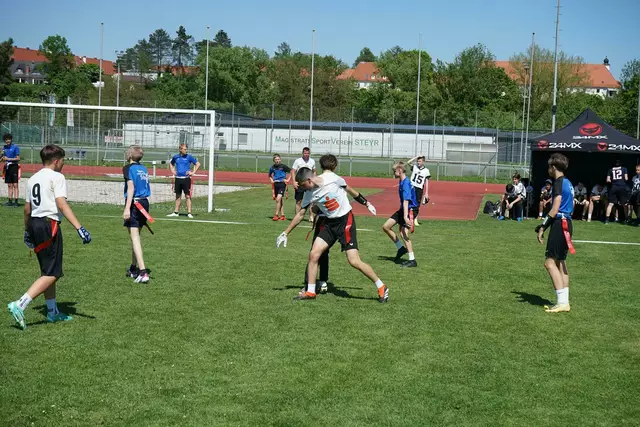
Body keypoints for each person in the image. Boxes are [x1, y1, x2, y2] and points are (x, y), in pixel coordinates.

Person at [7, 145, 92, 330]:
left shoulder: (33, 178)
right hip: (48, 225)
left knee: (48, 271)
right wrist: (79, 228)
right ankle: (20, 304)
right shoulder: (57, 177)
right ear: (56, 161)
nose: (63, 164)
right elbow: (61, 204)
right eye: (63, 161)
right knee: (53, 273)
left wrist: (27, 230)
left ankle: (52, 312)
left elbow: (27, 209)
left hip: (35, 224)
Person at [276, 162, 385, 302]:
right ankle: (310, 292)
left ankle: (381, 286)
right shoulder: (309, 193)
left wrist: (366, 203)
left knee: (354, 261)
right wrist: (285, 232)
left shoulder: (332, 179)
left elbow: (351, 190)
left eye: (303, 185)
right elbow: (300, 215)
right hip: (330, 223)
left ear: (309, 180)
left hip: (345, 222)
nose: (302, 188)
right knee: (314, 254)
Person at [535, 153, 575, 313]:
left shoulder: (558, 182)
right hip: (567, 222)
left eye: (549, 167)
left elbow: (555, 207)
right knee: (561, 262)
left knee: (549, 263)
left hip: (560, 223)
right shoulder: (568, 182)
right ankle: (565, 302)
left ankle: (562, 302)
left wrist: (543, 226)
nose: (548, 170)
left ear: (553, 167)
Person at [382, 161, 419, 268]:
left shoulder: (406, 183)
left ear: (400, 170)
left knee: (403, 233)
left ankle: (412, 260)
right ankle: (401, 248)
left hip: (409, 210)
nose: (393, 173)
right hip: (403, 209)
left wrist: (405, 217)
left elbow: (406, 201)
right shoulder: (401, 181)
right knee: (386, 227)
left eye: (394, 171)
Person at [123, 146, 152, 283]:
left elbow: (131, 188)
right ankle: (133, 268)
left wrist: (127, 208)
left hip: (135, 204)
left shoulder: (127, 168)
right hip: (144, 202)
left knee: (134, 238)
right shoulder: (144, 168)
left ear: (129, 155)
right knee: (135, 238)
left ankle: (143, 272)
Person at [167, 143, 200, 219]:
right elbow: (171, 164)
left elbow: (198, 164)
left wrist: (193, 172)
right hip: (178, 179)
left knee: (187, 196)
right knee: (178, 195)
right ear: (180, 149)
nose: (186, 150)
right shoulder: (176, 157)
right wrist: (173, 171)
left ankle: (189, 213)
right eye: (184, 149)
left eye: (186, 149)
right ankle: (176, 212)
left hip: (186, 179)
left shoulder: (189, 157)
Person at [291, 147, 316, 222]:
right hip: (300, 183)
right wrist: (294, 182)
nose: (306, 154)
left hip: (309, 183)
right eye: (305, 153)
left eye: (308, 153)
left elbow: (314, 171)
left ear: (309, 153)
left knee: (311, 201)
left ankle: (311, 217)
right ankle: (297, 216)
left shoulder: (312, 161)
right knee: (299, 201)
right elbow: (293, 171)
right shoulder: (298, 161)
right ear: (302, 153)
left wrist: (314, 180)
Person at [406, 156, 431, 226]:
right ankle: (407, 218)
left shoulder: (426, 170)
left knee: (417, 205)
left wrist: (426, 193)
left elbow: (426, 182)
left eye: (420, 161)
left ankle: (415, 219)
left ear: (423, 162)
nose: (418, 162)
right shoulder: (415, 167)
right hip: (411, 187)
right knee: (408, 202)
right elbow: (408, 162)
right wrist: (416, 157)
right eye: (417, 161)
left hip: (419, 189)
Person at [605, 159, 629, 224]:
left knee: (610, 204)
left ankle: (607, 220)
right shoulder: (624, 169)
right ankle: (626, 219)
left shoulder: (610, 170)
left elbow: (608, 180)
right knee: (625, 204)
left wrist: (613, 181)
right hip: (622, 187)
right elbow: (626, 178)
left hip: (614, 187)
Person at [268, 154, 291, 221]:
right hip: (276, 184)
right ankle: (282, 215)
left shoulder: (283, 166)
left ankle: (276, 215)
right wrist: (271, 179)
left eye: (278, 159)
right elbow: (269, 175)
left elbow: (292, 171)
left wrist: (288, 179)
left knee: (278, 199)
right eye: (276, 159)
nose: (277, 160)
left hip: (282, 184)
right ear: (274, 160)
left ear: (280, 160)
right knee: (280, 200)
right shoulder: (272, 167)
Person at [2, 133, 21, 207]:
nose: (7, 141)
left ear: (11, 139)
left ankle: (16, 202)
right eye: (6, 139)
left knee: (15, 184)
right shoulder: (4, 148)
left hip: (14, 166)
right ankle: (10, 201)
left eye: (9, 139)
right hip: (7, 167)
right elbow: (3, 157)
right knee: (9, 185)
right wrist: (2, 158)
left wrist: (9, 159)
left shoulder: (15, 147)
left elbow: (18, 158)